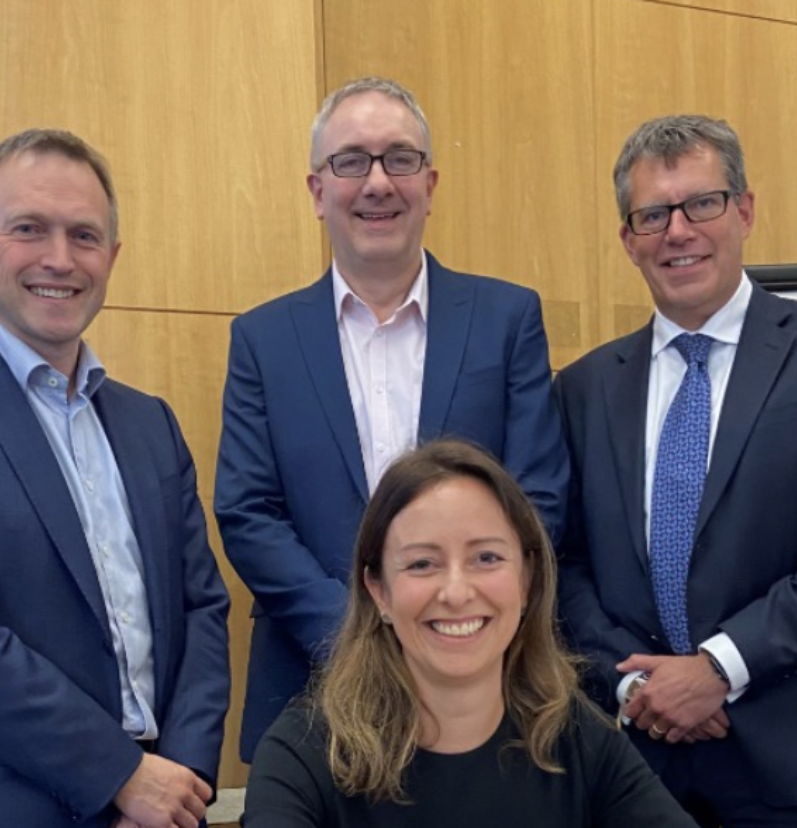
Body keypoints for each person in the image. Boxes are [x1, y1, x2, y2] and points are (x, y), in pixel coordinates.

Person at [0, 128, 231, 828]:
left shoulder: (152, 425)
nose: (60, 259)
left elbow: (204, 611)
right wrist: (120, 776)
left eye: (84, 236)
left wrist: (178, 783)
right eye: (29, 229)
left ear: (112, 258)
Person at [214, 75, 568, 762]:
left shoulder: (507, 320)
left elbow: (537, 500)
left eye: (399, 159)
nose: (377, 182)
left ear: (430, 183)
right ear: (318, 191)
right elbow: (247, 512)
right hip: (310, 692)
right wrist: (361, 628)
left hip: (485, 692)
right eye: (351, 161)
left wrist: (449, 620)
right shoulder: (262, 339)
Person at [555, 114, 797, 824]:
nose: (679, 231)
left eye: (703, 203)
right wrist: (635, 686)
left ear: (746, 210)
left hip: (789, 767)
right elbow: (562, 562)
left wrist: (719, 668)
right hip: (636, 764)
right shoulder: (581, 389)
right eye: (653, 214)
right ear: (628, 239)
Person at [243, 440, 696, 827]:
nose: (456, 593)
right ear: (378, 591)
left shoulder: (576, 736)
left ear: (526, 577)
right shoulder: (301, 754)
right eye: (422, 564)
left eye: (486, 558)